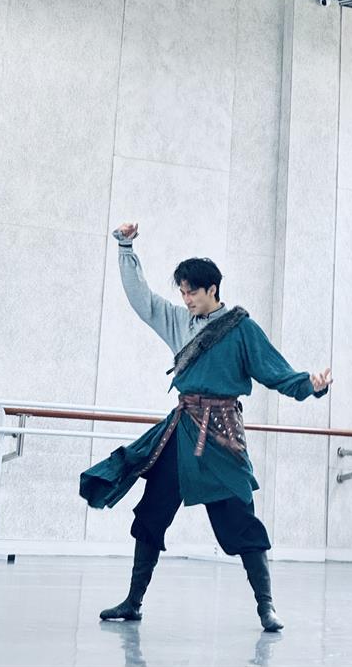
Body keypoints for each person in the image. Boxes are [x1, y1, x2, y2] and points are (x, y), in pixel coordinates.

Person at [80, 222, 333, 632]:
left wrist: (311, 385)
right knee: (152, 512)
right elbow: (142, 299)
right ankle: (133, 601)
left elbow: (276, 372)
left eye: (191, 292)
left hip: (222, 436)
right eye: (182, 292)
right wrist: (125, 247)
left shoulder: (241, 328)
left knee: (240, 518)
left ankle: (266, 606)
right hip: (181, 431)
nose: (186, 299)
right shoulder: (180, 322)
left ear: (212, 289)